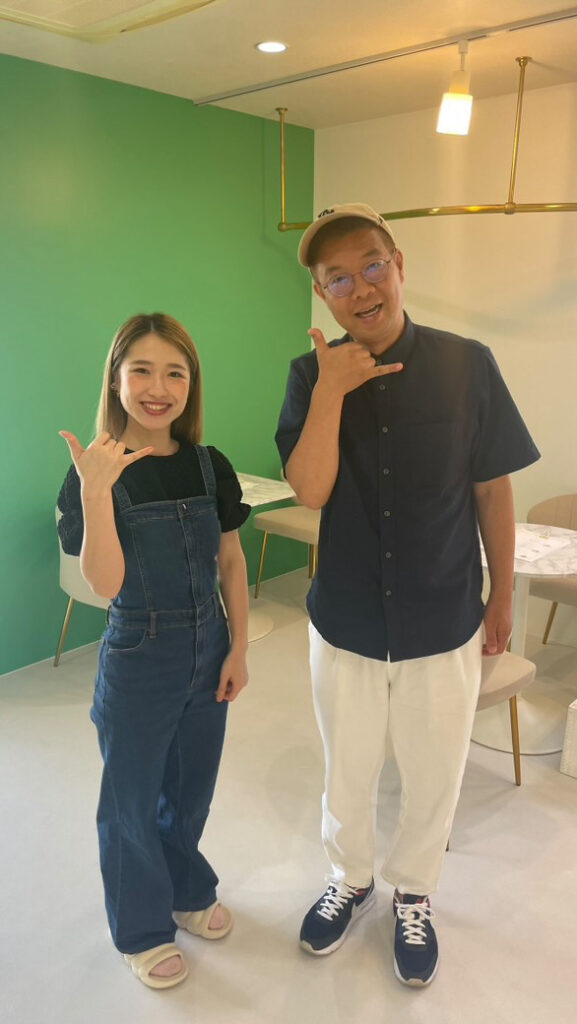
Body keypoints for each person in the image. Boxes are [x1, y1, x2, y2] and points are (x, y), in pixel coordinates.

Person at [275, 204, 540, 987]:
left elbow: (491, 489)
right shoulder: (307, 375)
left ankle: (413, 893)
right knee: (347, 770)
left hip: (441, 615)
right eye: (337, 278)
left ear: (398, 265)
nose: (359, 288)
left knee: (433, 774)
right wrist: (331, 393)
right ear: (322, 294)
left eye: (370, 266)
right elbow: (310, 490)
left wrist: (500, 599)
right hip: (346, 618)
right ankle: (349, 878)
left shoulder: (467, 363)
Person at [57, 312, 250, 989]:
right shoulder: (95, 472)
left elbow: (231, 561)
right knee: (131, 802)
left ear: (191, 384)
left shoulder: (208, 464)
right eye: (141, 370)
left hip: (210, 648)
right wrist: (96, 491)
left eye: (175, 372)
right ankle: (141, 928)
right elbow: (106, 585)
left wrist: (239, 649)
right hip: (138, 658)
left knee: (190, 791)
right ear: (116, 379)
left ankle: (184, 887)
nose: (158, 388)